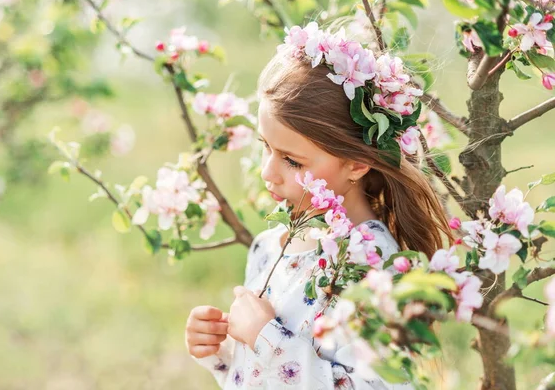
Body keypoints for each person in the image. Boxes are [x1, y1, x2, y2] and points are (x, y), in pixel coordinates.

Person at [185, 23, 453, 389]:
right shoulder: (268, 247)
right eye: (266, 146)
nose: (268, 173)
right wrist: (222, 350)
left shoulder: (373, 265)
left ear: (357, 163)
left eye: (292, 161)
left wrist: (267, 339)